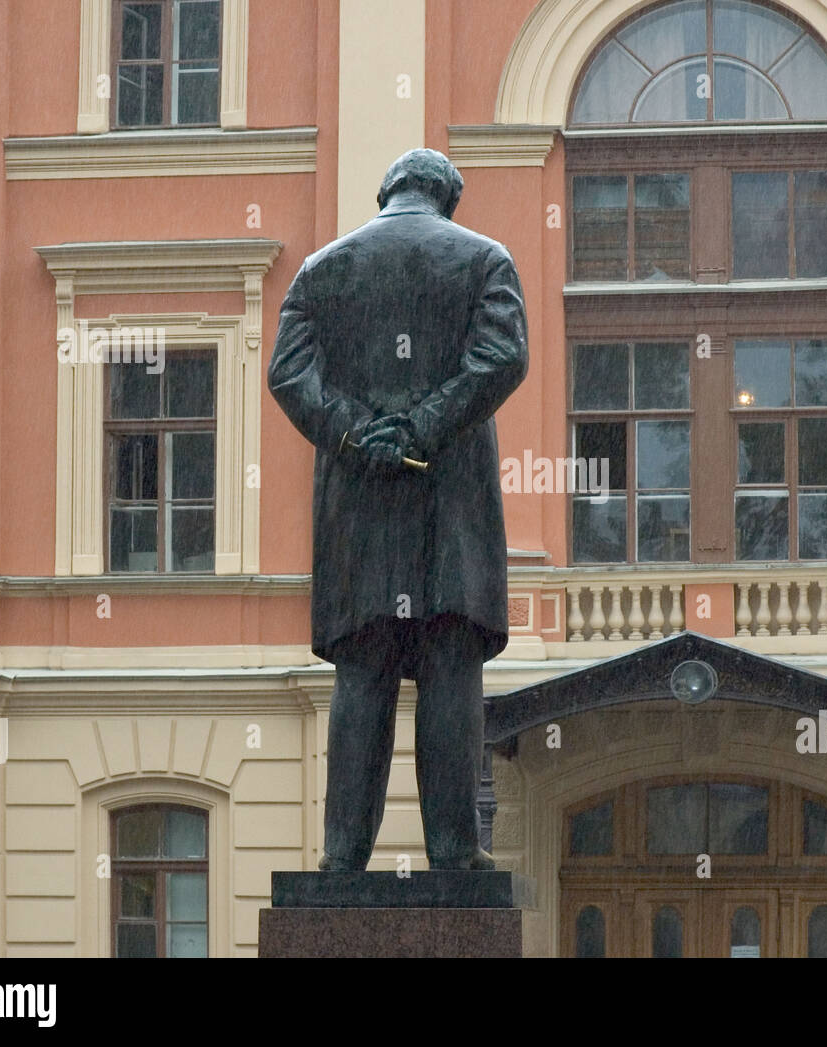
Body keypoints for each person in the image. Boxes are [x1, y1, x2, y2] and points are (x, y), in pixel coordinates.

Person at [268, 148, 528, 871]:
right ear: (449, 198)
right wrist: (424, 427)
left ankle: (343, 856)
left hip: (357, 508)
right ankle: (452, 849)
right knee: (450, 662)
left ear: (386, 191)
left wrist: (357, 431)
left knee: (363, 670)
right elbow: (502, 357)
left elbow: (288, 374)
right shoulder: (483, 259)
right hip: (452, 506)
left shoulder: (322, 269)